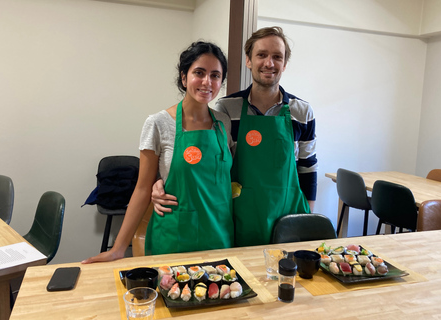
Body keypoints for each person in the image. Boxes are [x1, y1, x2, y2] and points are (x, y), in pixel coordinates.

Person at [152, 26, 317, 247]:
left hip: (287, 220)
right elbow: (210, 167)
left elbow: (308, 167)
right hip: (239, 219)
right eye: (261, 55)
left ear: (284, 63)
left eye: (277, 56)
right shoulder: (227, 110)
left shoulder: (302, 112)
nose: (269, 63)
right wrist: (159, 183)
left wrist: (307, 219)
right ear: (248, 60)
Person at [82, 41, 234, 263]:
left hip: (220, 237)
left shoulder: (223, 122)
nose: (207, 82)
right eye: (199, 73)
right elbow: (142, 188)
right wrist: (118, 248)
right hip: (175, 238)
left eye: (215, 75)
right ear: (184, 77)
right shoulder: (158, 123)